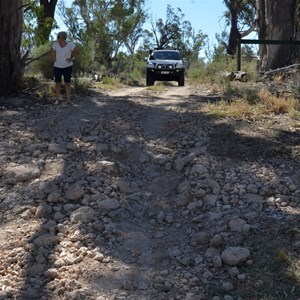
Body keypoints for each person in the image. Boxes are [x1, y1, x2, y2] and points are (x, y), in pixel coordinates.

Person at [49, 31, 80, 105]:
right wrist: (53, 59)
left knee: (68, 83)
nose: (57, 38)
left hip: (67, 66)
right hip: (57, 66)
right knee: (57, 83)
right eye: (57, 37)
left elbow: (78, 52)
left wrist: (72, 59)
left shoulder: (70, 45)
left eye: (58, 37)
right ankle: (57, 100)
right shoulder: (55, 44)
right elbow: (50, 52)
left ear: (63, 38)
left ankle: (69, 100)